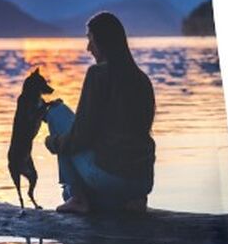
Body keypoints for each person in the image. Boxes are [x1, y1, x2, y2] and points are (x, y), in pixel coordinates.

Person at [43, 11, 155, 214]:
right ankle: (127, 201)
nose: (88, 48)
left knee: (56, 112)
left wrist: (53, 142)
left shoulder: (98, 74)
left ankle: (78, 197)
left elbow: (80, 137)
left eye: (91, 40)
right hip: (142, 182)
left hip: (112, 178)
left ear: (104, 42)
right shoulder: (142, 79)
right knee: (103, 189)